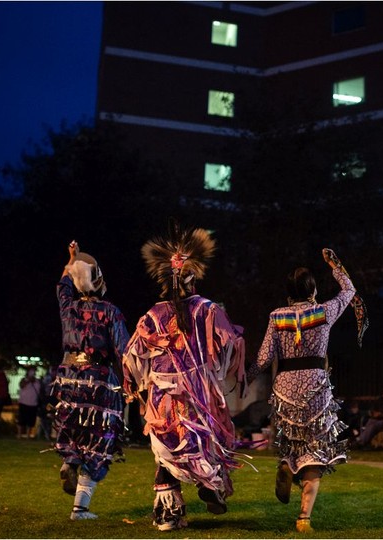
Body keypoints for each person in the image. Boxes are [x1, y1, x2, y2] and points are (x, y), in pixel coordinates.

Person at [122, 222, 245, 532]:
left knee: (166, 453)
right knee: (202, 443)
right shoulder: (208, 309)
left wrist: (137, 384)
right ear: (194, 278)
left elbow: (133, 355)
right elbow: (228, 343)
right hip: (196, 393)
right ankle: (210, 485)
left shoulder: (152, 314)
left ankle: (168, 514)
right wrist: (217, 369)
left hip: (161, 395)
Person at [246, 248, 357, 533]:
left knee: (292, 444)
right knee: (315, 451)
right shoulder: (323, 311)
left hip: (285, 388)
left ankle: (286, 464)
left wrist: (245, 379)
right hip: (315, 389)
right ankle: (304, 517)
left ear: (288, 293)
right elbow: (349, 290)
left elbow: (262, 358)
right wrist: (335, 265)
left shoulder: (276, 316)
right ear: (313, 290)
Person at [53, 240, 130, 520]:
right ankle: (79, 508)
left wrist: (70, 260)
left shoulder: (68, 308)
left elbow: (62, 286)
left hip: (67, 378)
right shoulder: (110, 311)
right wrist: (131, 384)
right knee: (99, 440)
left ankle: (69, 460)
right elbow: (124, 351)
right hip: (99, 381)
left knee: (73, 431)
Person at [17, 366, 41, 439]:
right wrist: (28, 381)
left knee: (31, 421)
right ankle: (19, 434)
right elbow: (21, 385)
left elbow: (39, 390)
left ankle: (28, 435)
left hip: (33, 403)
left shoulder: (37, 381)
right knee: (21, 419)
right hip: (23, 402)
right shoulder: (24, 380)